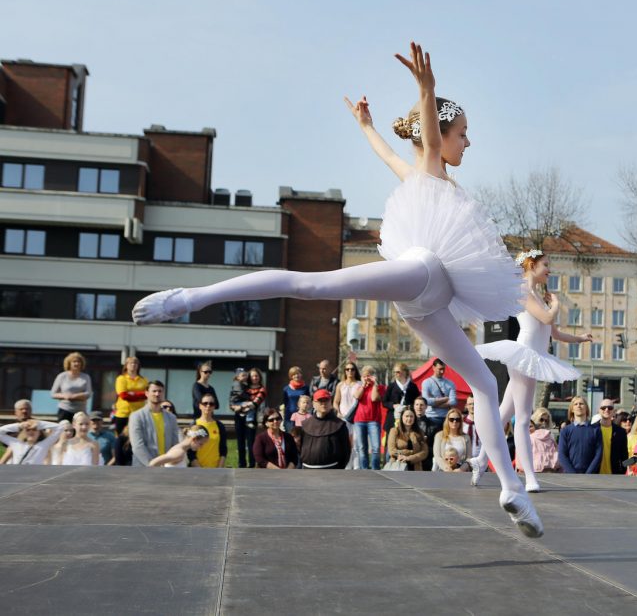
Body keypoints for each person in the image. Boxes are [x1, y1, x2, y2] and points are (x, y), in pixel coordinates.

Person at [132, 42, 542, 536]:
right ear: (442, 133)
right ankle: (189, 298)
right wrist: (426, 89)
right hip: (422, 275)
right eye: (464, 134)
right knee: (310, 286)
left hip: (423, 307)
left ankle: (513, 490)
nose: (468, 143)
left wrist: (366, 125)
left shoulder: (419, 175)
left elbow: (387, 150)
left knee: (485, 383)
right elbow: (428, 140)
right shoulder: (431, 166)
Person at [473, 249, 590, 491]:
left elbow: (553, 333)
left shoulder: (537, 295)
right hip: (525, 355)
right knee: (524, 418)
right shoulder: (523, 292)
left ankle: (481, 459)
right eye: (545, 264)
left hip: (536, 356)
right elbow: (547, 319)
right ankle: (529, 477)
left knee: (503, 414)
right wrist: (557, 305)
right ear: (530, 265)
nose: (549, 269)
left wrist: (580, 339)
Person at [295, 389, 353, 469]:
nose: (323, 404)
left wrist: (339, 469)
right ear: (314, 404)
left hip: (332, 470)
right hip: (307, 470)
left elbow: (346, 451)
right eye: (320, 401)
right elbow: (300, 447)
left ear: (331, 402)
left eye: (326, 400)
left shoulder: (340, 425)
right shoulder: (306, 424)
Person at [128, 381, 180, 467]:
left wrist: (169, 463)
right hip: (144, 467)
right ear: (147, 393)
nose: (157, 394)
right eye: (154, 391)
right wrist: (153, 464)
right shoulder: (136, 416)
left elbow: (175, 445)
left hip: (166, 468)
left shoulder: (172, 418)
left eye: (160, 391)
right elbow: (137, 446)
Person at [351, 365, 385, 470]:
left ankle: (375, 469)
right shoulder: (359, 387)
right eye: (365, 376)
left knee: (375, 447)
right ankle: (364, 469)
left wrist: (374, 384)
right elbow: (357, 396)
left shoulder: (380, 387)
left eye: (369, 375)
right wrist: (363, 385)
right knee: (361, 448)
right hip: (359, 420)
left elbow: (374, 398)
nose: (367, 378)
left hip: (374, 420)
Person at [557, 396, 602, 474]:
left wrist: (588, 473)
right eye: (575, 404)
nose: (578, 406)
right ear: (572, 409)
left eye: (581, 404)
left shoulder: (595, 430)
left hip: (591, 476)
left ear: (586, 408)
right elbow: (562, 455)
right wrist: (573, 474)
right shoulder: (565, 431)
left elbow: (598, 454)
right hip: (570, 475)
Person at [0, 419, 68, 465]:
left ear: (39, 432)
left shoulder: (44, 445)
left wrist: (39, 424)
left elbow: (59, 428)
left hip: (34, 479)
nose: (31, 432)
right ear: (24, 432)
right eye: (28, 430)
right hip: (16, 478)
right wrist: (19, 426)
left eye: (34, 429)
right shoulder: (16, 443)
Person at [383, 362, 420, 444]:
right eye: (395, 372)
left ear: (405, 372)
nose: (396, 374)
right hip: (392, 419)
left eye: (398, 372)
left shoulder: (412, 386)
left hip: (408, 420)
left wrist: (408, 407)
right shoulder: (391, 386)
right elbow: (384, 402)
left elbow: (417, 401)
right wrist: (393, 405)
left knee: (407, 444)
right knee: (390, 445)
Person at [236, 368, 266, 468]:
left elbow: (255, 403)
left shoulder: (262, 389)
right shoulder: (244, 387)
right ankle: (241, 464)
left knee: (251, 441)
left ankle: (252, 464)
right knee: (240, 441)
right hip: (239, 417)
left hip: (252, 418)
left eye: (256, 376)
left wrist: (242, 406)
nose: (254, 378)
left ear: (259, 377)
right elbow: (235, 398)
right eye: (252, 376)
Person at [50, 352, 93, 422]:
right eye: (74, 361)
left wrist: (74, 396)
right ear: (69, 363)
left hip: (80, 411)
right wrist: (65, 396)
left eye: (79, 362)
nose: (77, 364)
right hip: (65, 410)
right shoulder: (62, 376)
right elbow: (53, 394)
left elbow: (89, 393)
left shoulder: (86, 377)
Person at [386, 405, 429, 471]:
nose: (409, 419)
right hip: (397, 465)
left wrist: (409, 458)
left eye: (411, 416)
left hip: (415, 467)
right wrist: (410, 452)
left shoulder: (420, 432)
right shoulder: (394, 431)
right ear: (402, 417)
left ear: (414, 418)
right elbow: (392, 451)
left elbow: (424, 452)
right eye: (407, 416)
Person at [191, 394, 228, 468]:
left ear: (214, 407)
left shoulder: (220, 426)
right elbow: (190, 452)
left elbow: (223, 450)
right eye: (205, 403)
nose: (208, 406)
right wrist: (199, 470)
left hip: (216, 469)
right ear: (200, 406)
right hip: (197, 470)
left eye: (211, 404)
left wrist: (219, 468)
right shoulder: (194, 425)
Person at [114, 356, 148, 435]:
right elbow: (124, 396)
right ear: (126, 365)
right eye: (131, 363)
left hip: (139, 413)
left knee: (138, 436)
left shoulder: (143, 380)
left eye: (135, 363)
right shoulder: (121, 379)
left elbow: (147, 394)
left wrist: (132, 394)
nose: (133, 365)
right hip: (123, 413)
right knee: (121, 438)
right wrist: (140, 395)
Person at [593, 398, 627, 475]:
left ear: (614, 412)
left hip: (614, 475)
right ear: (599, 410)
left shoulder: (621, 432)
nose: (607, 409)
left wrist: (623, 472)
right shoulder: (591, 429)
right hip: (594, 475)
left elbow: (624, 456)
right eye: (603, 408)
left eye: (610, 408)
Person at [421, 358, 457, 428]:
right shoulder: (426, 382)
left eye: (443, 369)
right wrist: (445, 399)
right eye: (440, 369)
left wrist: (434, 403)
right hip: (431, 417)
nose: (442, 371)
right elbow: (426, 401)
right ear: (433, 368)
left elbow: (453, 402)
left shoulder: (450, 383)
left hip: (446, 417)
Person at [529, 408, 560, 473]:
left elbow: (556, 451)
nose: (544, 423)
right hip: (533, 470)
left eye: (546, 421)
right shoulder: (529, 434)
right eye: (541, 420)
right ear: (535, 419)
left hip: (550, 470)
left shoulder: (551, 436)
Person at [412, 397, 436, 471]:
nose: (419, 407)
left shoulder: (433, 426)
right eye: (417, 404)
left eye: (421, 405)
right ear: (414, 406)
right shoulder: (407, 423)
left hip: (426, 459)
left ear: (426, 407)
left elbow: (434, 447)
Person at [282, 366, 309, 430]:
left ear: (301, 374)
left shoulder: (306, 388)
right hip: (289, 417)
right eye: (294, 374)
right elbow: (285, 402)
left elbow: (308, 402)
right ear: (291, 376)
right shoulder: (286, 389)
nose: (296, 375)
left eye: (298, 373)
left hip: (303, 416)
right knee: (290, 436)